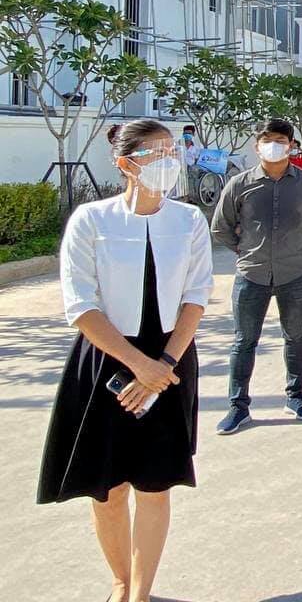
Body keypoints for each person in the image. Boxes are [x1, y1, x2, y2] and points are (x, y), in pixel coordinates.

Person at [38, 119, 213, 602]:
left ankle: (141, 593)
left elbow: (196, 296)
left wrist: (163, 365)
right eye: (156, 154)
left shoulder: (189, 221)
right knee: (109, 488)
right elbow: (81, 306)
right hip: (106, 359)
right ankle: (120, 579)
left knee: (156, 484)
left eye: (172, 152)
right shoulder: (91, 220)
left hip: (170, 360)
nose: (168, 162)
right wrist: (139, 365)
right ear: (125, 164)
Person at [210, 118, 302, 435]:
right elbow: (220, 226)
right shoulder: (240, 184)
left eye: (280, 140)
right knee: (244, 341)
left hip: (295, 273)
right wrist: (244, 250)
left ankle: (296, 396)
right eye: (267, 140)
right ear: (257, 146)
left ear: (291, 146)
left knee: (295, 336)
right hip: (251, 275)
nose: (274, 146)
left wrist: (300, 245)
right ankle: (238, 406)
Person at [181, 124, 200, 203]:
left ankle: (190, 198)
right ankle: (184, 197)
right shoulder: (179, 145)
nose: (187, 135)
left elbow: (197, 160)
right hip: (181, 167)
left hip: (191, 168)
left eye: (189, 133)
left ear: (193, 135)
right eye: (185, 133)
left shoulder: (196, 148)